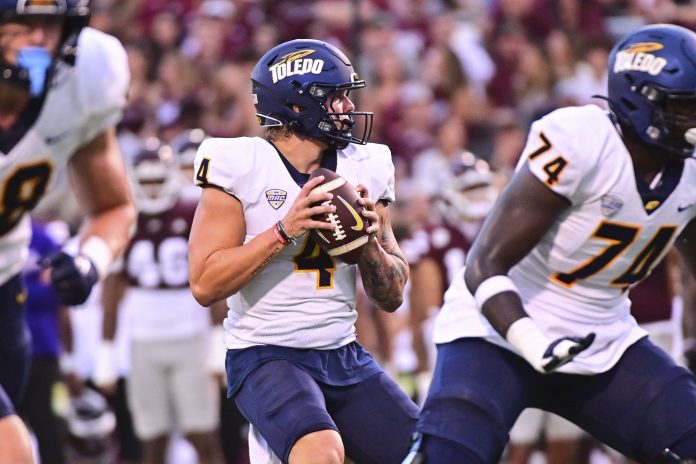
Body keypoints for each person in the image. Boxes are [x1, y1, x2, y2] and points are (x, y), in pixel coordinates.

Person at [408, 24, 696, 464]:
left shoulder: (691, 172)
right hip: (495, 330)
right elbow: (484, 264)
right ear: (641, 102)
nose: (694, 120)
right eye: (684, 108)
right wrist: (530, 339)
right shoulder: (581, 139)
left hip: (601, 338)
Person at [188, 39, 419, 464]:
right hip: (265, 353)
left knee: (431, 453)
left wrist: (368, 243)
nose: (348, 108)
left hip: (342, 351)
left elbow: (393, 295)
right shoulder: (241, 163)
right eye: (336, 98)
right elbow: (204, 283)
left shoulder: (366, 164)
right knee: (321, 452)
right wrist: (283, 229)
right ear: (297, 106)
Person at [0, 2, 134, 463]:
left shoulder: (89, 77)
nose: (37, 39)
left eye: (49, 24)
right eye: (19, 24)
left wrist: (89, 259)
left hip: (5, 284)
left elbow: (114, 206)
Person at [98, 138, 223, 464]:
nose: (152, 191)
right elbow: (112, 288)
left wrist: (216, 338)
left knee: (203, 435)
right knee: (152, 441)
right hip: (144, 340)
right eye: (145, 182)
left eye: (157, 181)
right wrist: (106, 348)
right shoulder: (127, 220)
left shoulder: (191, 212)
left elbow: (211, 277)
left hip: (190, 336)